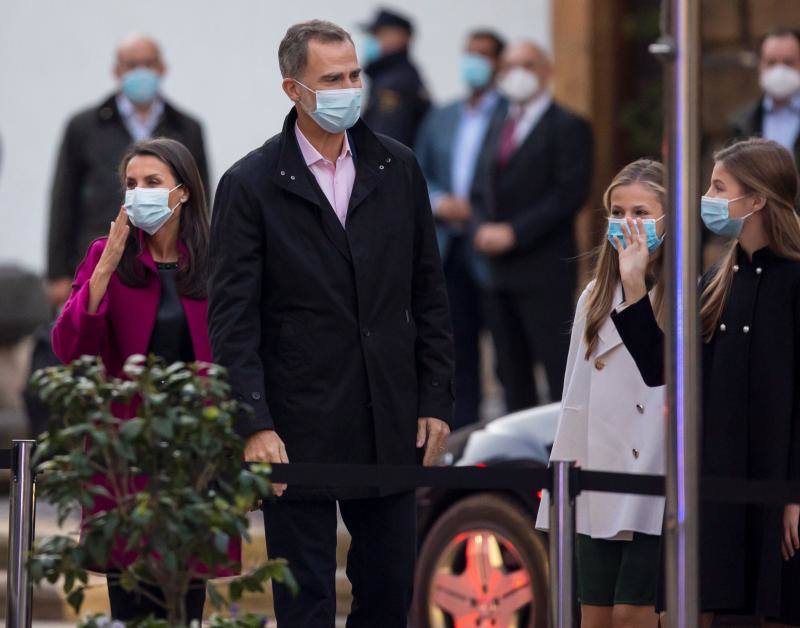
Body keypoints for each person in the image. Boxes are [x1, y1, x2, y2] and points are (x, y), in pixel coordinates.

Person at [207, 20, 455, 627]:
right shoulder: (250, 184)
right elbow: (232, 319)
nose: (349, 88)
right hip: (297, 425)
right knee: (307, 600)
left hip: (389, 416)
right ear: (294, 89)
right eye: (332, 79)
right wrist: (255, 422)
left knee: (388, 592)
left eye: (353, 75)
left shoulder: (397, 168)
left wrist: (436, 398)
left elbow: (429, 292)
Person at [611, 138, 800, 626]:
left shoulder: (794, 281)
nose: (708, 197)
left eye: (719, 187)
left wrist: (794, 494)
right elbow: (665, 371)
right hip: (719, 489)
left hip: (775, 488)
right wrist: (634, 290)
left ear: (756, 199)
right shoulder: (720, 277)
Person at [50, 138, 232, 623]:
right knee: (129, 604)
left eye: (152, 183)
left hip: (192, 460)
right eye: (131, 184)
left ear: (184, 192)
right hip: (125, 460)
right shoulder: (106, 256)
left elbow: (239, 354)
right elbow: (70, 349)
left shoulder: (216, 261)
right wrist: (106, 265)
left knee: (183, 606)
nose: (139, 193)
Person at [536, 160, 667, 628]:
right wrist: (563, 485)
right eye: (618, 211)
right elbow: (577, 394)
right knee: (593, 616)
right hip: (597, 477)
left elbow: (663, 377)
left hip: (653, 478)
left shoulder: (683, 294)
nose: (628, 223)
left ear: (667, 222)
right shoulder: (594, 294)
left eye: (642, 212)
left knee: (634, 614)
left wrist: (637, 284)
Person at [470, 40, 593, 411]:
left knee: (557, 369)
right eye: (508, 66)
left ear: (546, 71)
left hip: (544, 270)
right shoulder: (498, 122)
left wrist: (515, 232)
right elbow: (480, 186)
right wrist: (480, 227)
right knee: (510, 373)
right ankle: (520, 461)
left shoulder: (569, 126)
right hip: (497, 273)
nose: (516, 74)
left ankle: (562, 462)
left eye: (526, 64)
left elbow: (569, 194)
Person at [47, 34, 209, 308]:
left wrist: (201, 256)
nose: (141, 72)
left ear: (162, 68)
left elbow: (200, 195)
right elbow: (63, 199)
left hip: (171, 264)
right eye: (132, 65)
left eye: (148, 64)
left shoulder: (186, 127)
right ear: (117, 70)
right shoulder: (84, 126)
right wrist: (58, 273)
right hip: (96, 255)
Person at [415, 29, 506, 429]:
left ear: (498, 64)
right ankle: (463, 432)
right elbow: (418, 168)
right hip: (448, 247)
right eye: (469, 54)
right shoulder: (442, 115)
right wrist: (439, 202)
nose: (474, 63)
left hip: (492, 249)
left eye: (483, 55)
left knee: (506, 350)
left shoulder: (509, 114)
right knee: (456, 348)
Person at [359, 8, 430, 147]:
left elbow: (386, 141)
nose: (371, 40)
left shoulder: (395, 84)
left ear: (400, 37)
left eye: (378, 34)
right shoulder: (390, 75)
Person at [731, 28, 800, 161]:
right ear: (760, 65)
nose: (780, 70)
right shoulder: (741, 123)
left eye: (788, 62)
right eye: (771, 63)